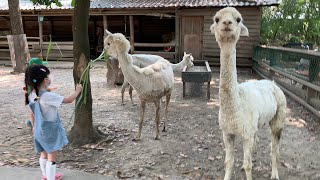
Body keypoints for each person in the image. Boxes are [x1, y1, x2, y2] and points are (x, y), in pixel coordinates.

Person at [24, 65, 82, 180]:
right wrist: (77, 91)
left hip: (38, 129)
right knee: (52, 157)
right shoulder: (48, 96)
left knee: (43, 154)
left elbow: (32, 112)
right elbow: (69, 100)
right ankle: (51, 178)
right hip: (49, 130)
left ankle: (45, 176)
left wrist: (34, 126)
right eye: (49, 77)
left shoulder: (32, 95)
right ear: (45, 81)